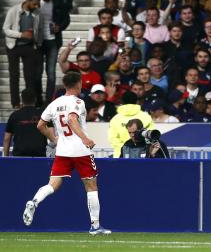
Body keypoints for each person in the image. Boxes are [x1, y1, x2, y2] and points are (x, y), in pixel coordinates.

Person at [22, 71, 111, 235]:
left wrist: (55, 138)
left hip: (63, 151)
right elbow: (71, 119)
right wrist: (85, 138)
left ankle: (34, 201)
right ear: (79, 84)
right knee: (91, 187)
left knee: (53, 184)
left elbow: (41, 125)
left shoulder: (54, 103)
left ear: (65, 85)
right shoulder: (78, 102)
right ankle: (95, 226)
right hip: (81, 151)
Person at [3, 0, 43, 108]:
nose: (36, 6)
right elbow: (5, 29)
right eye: (34, 4)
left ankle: (29, 103)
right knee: (14, 75)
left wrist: (38, 44)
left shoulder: (37, 12)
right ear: (27, 0)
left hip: (29, 47)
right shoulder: (14, 10)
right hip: (13, 46)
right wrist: (21, 35)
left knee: (29, 76)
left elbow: (38, 30)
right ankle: (15, 103)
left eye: (37, 4)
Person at [39, 0, 71, 103]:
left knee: (51, 73)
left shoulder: (59, 2)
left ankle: (48, 100)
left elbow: (67, 19)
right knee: (37, 74)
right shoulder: (36, 3)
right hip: (38, 42)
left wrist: (60, 27)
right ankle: (37, 99)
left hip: (53, 41)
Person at [108, 91, 155, 158]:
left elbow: (112, 139)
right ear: (136, 101)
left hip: (121, 157)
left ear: (122, 102)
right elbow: (151, 135)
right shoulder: (145, 116)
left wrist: (126, 148)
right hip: (142, 156)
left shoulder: (115, 119)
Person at [3, 89, 47, 157]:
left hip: (19, 154)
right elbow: (51, 133)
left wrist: (5, 157)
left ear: (21, 100)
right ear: (35, 99)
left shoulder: (14, 115)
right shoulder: (43, 115)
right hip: (39, 154)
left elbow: (7, 139)